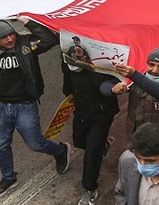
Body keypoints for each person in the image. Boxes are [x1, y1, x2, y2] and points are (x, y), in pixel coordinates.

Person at [0, 17, 69, 199]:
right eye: (4, 37)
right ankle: (8, 178)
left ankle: (60, 151)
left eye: (11, 34)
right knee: (1, 144)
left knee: (35, 143)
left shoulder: (26, 44)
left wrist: (27, 22)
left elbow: (50, 40)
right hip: (1, 107)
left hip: (25, 104)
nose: (10, 39)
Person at [61, 51, 121, 205]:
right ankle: (103, 145)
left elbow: (107, 85)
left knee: (91, 152)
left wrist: (91, 69)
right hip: (82, 112)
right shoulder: (66, 64)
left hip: (101, 113)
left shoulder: (99, 66)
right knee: (79, 141)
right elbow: (68, 84)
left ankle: (89, 188)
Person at [109, 46, 159, 150]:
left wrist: (134, 75)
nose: (154, 70)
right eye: (151, 65)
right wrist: (113, 89)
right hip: (136, 137)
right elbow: (106, 85)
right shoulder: (140, 75)